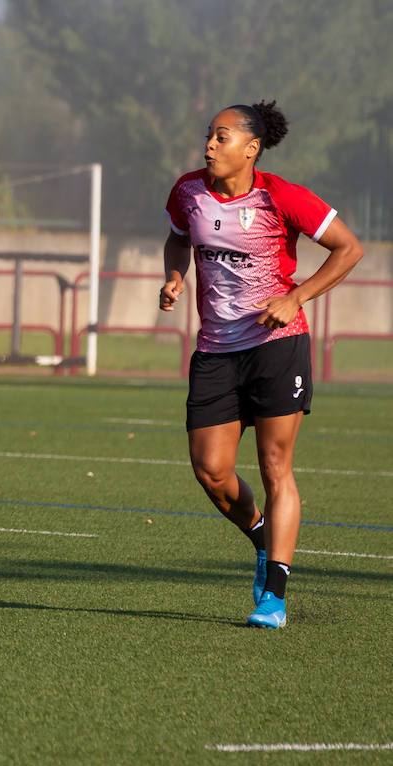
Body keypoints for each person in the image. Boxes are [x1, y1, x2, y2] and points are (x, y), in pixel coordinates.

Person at [161, 100, 363, 628]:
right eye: (209, 135)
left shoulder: (282, 196)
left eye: (222, 137)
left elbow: (348, 249)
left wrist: (296, 298)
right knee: (210, 470)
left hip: (277, 346)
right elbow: (179, 237)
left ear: (251, 149)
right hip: (215, 350)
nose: (209, 145)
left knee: (276, 468)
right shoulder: (189, 192)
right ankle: (260, 536)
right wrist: (176, 276)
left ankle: (274, 593)